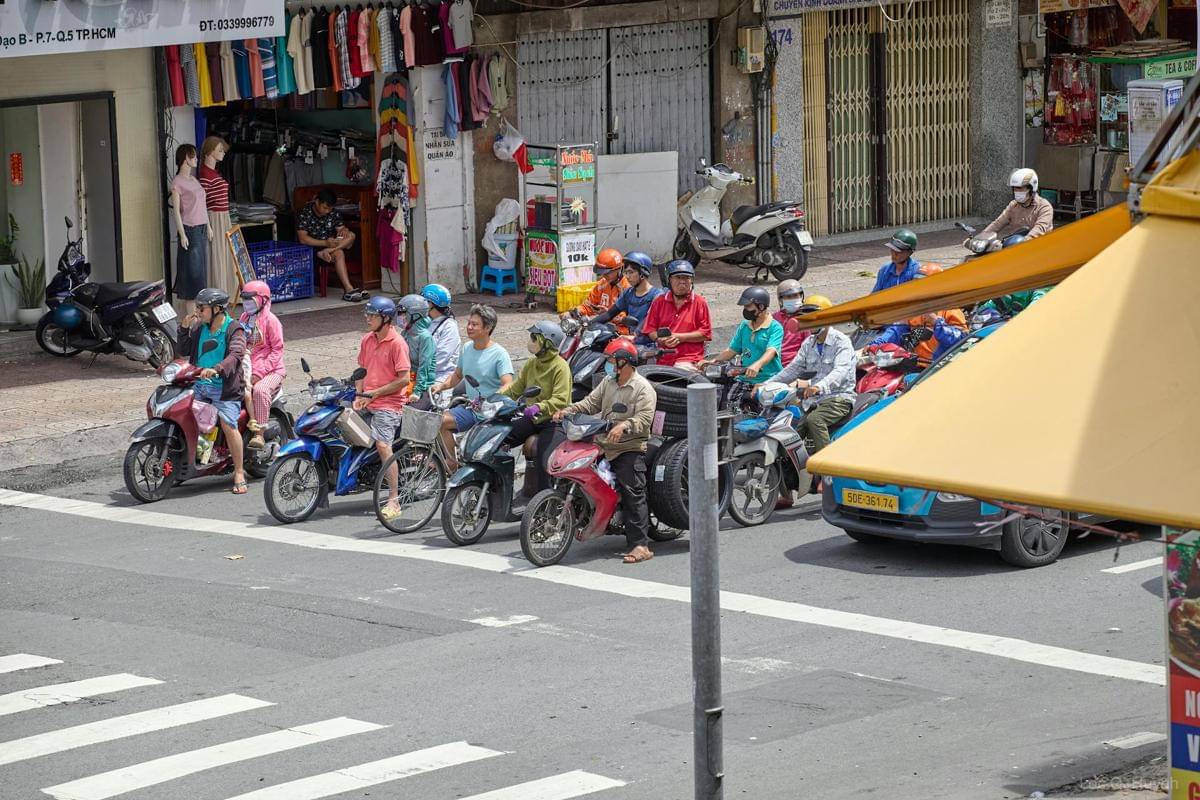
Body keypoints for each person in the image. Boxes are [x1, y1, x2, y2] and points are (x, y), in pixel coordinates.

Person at [552, 339, 656, 565]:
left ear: (624, 362)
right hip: (603, 443)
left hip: (629, 447)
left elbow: (645, 418)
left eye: (612, 361)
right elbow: (590, 404)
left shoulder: (643, 388)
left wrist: (624, 425)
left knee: (632, 491)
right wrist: (568, 410)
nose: (608, 365)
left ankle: (640, 545)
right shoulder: (609, 382)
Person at [429, 304, 515, 471]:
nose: (469, 327)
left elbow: (508, 383)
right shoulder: (467, 348)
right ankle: (451, 462)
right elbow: (457, 376)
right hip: (472, 408)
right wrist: (441, 386)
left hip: (491, 414)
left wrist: (491, 400)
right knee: (439, 421)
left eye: (474, 324)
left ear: (488, 328)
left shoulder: (499, 354)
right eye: (469, 323)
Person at [179, 288, 248, 494]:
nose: (198, 311)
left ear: (217, 309)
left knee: (228, 424)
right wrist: (183, 329)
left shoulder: (234, 329)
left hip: (224, 389)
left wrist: (217, 369)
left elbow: (236, 355)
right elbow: (183, 350)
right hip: (199, 385)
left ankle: (239, 472)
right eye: (198, 307)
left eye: (202, 308)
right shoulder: (200, 327)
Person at [775, 297, 856, 458]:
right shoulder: (808, 343)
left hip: (839, 398)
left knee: (814, 420)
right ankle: (789, 475)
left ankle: (827, 467)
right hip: (812, 400)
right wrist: (766, 384)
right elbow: (793, 369)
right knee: (790, 428)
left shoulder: (842, 342)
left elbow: (841, 371)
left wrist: (819, 386)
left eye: (813, 318)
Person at [355, 296, 412, 521]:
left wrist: (376, 394)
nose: (368, 319)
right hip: (366, 400)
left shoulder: (398, 344)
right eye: (367, 314)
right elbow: (361, 370)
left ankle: (394, 498)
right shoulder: (367, 340)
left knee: (383, 445)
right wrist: (359, 394)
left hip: (389, 404)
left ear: (386, 319)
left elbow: (404, 379)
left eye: (372, 315)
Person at [502, 321, 573, 496]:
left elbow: (561, 399)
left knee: (544, 462)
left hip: (554, 421)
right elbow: (515, 389)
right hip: (532, 418)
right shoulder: (531, 364)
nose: (530, 341)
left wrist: (539, 406)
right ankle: (499, 490)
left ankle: (544, 505)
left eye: (535, 338)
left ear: (547, 342)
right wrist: (494, 399)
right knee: (498, 440)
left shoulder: (560, 367)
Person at [700, 286, 784, 409]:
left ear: (761, 306)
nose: (745, 310)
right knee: (727, 406)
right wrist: (712, 362)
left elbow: (771, 351)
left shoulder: (775, 328)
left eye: (748, 307)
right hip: (743, 378)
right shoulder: (745, 326)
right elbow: (732, 350)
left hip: (767, 379)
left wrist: (757, 365)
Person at [296, 188, 368, 302]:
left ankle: (348, 290)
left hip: (329, 247)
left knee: (352, 235)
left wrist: (344, 230)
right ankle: (349, 288)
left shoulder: (333, 212)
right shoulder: (305, 213)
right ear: (317, 201)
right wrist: (324, 243)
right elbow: (303, 239)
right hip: (311, 251)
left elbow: (341, 228)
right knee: (339, 253)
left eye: (330, 208)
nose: (327, 211)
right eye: (325, 207)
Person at [238, 280, 286, 450]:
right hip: (247, 365)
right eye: (245, 300)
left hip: (271, 370)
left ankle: (259, 434)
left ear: (263, 300)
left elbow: (277, 350)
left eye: (251, 300)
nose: (247, 304)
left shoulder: (271, 321)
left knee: (259, 390)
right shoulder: (244, 318)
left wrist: (259, 373)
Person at [642, 260, 712, 368]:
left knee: (680, 368)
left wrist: (680, 337)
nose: (682, 282)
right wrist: (660, 339)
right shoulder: (659, 301)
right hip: (662, 357)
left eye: (686, 278)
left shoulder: (700, 302)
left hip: (689, 359)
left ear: (692, 281)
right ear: (670, 280)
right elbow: (650, 329)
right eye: (678, 277)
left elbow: (705, 334)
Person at [170, 144, 211, 317]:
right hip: (190, 230)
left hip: (201, 229)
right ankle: (191, 321)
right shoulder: (177, 183)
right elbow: (177, 212)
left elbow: (203, 205)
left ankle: (198, 319)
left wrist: (208, 226)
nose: (195, 159)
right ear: (185, 158)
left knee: (200, 275)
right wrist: (182, 234)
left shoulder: (194, 180)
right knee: (192, 276)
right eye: (193, 156)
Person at [591, 251, 663, 339]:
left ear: (642, 274)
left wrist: (634, 336)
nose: (627, 277)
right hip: (632, 340)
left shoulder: (657, 296)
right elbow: (609, 314)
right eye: (626, 272)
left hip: (649, 344)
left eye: (631, 272)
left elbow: (647, 321)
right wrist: (588, 324)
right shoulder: (628, 293)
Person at [978, 168, 1054, 245]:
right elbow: (998, 223)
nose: (1016, 191)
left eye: (1020, 188)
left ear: (1031, 188)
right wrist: (981, 237)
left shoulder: (1044, 207)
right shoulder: (1013, 205)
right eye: (1014, 188)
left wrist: (1023, 242)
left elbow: (1039, 229)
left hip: (1039, 248)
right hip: (1015, 246)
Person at [868, 310, 968, 365]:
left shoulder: (952, 311)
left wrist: (936, 322)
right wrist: (875, 345)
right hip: (912, 364)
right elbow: (896, 331)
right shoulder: (915, 310)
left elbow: (962, 341)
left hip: (939, 368)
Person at [560, 248, 628, 326]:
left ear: (618, 269)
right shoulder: (602, 284)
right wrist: (572, 313)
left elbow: (626, 318)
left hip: (622, 331)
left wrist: (608, 314)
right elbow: (588, 305)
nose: (603, 276)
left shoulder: (627, 288)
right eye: (602, 273)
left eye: (607, 273)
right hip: (602, 326)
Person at [419, 283, 461, 385]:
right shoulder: (424, 321)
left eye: (423, 301)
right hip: (419, 373)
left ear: (431, 304)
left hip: (440, 377)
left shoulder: (449, 327)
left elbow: (441, 358)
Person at [398, 294, 438, 400]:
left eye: (403, 313)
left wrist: (417, 391)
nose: (400, 317)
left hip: (422, 385)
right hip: (407, 378)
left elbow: (424, 367)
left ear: (415, 315)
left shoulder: (425, 337)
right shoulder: (405, 333)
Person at [870, 229, 921, 293]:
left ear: (910, 252)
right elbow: (875, 295)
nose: (894, 254)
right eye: (892, 249)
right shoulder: (885, 270)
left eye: (899, 251)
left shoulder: (917, 271)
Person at [773, 279, 810, 366]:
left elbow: (808, 348)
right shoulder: (774, 318)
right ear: (781, 300)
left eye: (796, 296)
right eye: (789, 297)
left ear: (801, 296)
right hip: (772, 364)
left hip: (794, 366)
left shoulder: (805, 319)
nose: (793, 299)